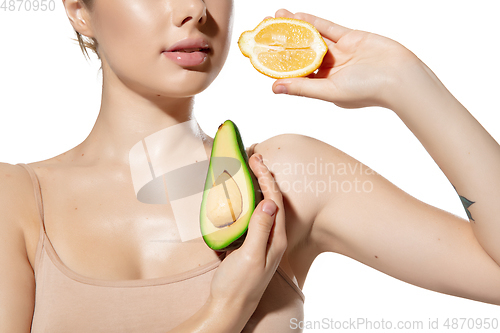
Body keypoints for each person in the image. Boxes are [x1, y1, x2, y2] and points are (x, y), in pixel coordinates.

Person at [1, 1, 499, 333]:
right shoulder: (17, 202)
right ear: (79, 11)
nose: (194, 9)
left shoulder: (285, 178)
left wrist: (406, 82)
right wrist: (225, 310)